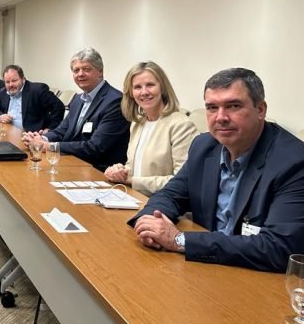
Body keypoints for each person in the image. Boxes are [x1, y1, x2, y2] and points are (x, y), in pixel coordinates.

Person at [129, 68, 304, 272]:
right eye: (212, 107)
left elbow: (279, 247)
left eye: (233, 106)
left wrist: (179, 240)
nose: (221, 117)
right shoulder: (204, 146)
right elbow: (170, 194)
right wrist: (150, 221)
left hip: (256, 275)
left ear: (260, 110)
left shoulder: (293, 162)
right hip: (207, 267)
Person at [23, 48, 129, 171]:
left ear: (100, 72)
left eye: (87, 69)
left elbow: (95, 147)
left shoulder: (115, 101)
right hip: (72, 162)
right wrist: (41, 139)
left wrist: (50, 146)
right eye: (76, 70)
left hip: (98, 170)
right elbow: (62, 130)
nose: (80, 74)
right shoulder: (78, 99)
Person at [104, 62, 198, 196]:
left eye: (150, 85)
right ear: (131, 93)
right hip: (134, 197)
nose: (144, 92)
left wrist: (131, 180)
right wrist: (120, 171)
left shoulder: (181, 125)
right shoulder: (137, 123)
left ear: (162, 88)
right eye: (137, 87)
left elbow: (182, 181)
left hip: (163, 202)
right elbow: (134, 166)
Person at [0, 64, 64, 132]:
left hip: (29, 135)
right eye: (7, 82)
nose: (11, 85)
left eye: (14, 81)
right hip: (7, 131)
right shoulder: (3, 92)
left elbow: (59, 107)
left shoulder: (37, 90)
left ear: (23, 78)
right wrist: (0, 116)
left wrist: (50, 129)